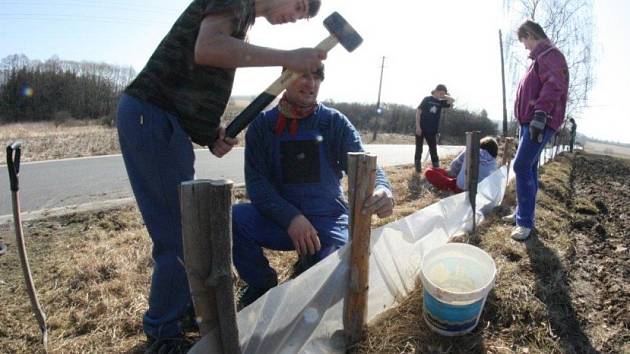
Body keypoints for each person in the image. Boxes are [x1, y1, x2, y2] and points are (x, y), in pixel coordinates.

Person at [116, 1, 326, 351]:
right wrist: (287, 56)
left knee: (187, 228)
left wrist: (210, 131)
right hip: (150, 117)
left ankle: (179, 313)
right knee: (176, 235)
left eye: (301, 17)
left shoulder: (241, 17)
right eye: (299, 6)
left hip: (169, 124)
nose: (294, 18)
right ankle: (162, 334)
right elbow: (208, 48)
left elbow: (193, 73)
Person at [232, 64, 395, 308]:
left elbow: (363, 163)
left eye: (317, 76)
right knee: (233, 218)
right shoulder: (262, 126)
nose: (311, 83)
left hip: (327, 219)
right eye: (303, 75)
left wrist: (384, 189)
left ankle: (314, 258)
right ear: (284, 79)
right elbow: (257, 185)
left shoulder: (333, 122)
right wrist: (290, 217)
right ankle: (261, 283)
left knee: (338, 280)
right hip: (280, 222)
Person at [508, 20, 569, 241]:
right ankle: (522, 214)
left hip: (540, 121)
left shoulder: (551, 55)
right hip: (530, 121)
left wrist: (540, 115)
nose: (524, 46)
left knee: (521, 165)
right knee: (530, 167)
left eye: (524, 41)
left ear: (531, 35)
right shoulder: (539, 59)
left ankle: (524, 222)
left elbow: (554, 85)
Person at [425, 136, 498, 193]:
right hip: (481, 192)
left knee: (429, 171)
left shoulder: (470, 150)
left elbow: (455, 165)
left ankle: (449, 182)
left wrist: (453, 173)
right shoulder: (494, 163)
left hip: (461, 188)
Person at [414, 84, 455, 172]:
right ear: (436, 91)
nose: (442, 95)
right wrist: (418, 126)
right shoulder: (427, 99)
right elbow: (418, 112)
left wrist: (444, 96)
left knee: (433, 150)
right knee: (419, 149)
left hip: (432, 130)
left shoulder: (440, 102)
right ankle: (417, 170)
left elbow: (452, 101)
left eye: (443, 94)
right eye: (440, 93)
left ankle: (436, 169)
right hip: (421, 128)